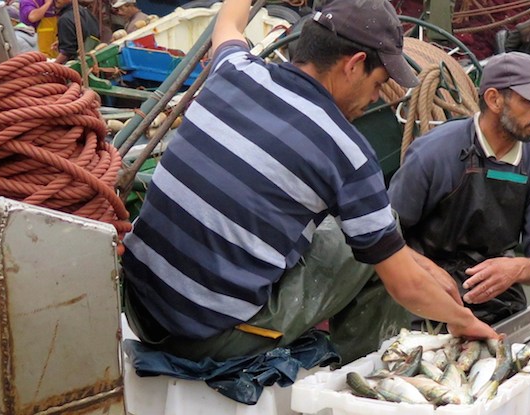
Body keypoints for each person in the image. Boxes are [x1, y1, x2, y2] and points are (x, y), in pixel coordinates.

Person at [122, 0, 498, 365]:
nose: (374, 98)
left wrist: (420, 265)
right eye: (379, 83)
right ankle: (363, 380)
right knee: (373, 238)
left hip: (139, 309)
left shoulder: (234, 70)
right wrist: (464, 321)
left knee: (361, 235)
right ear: (353, 65)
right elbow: (406, 287)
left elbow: (228, 23)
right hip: (207, 338)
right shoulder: (347, 151)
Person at [389, 52, 530, 325]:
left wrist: (518, 268)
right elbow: (383, 237)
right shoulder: (434, 154)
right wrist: (429, 272)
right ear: (494, 99)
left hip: (499, 306)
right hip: (423, 305)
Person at [54, 0, 100, 64]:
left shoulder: (65, 19)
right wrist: (63, 41)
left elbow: (67, 53)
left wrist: (51, 68)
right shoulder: (85, 12)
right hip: (94, 57)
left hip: (79, 64)